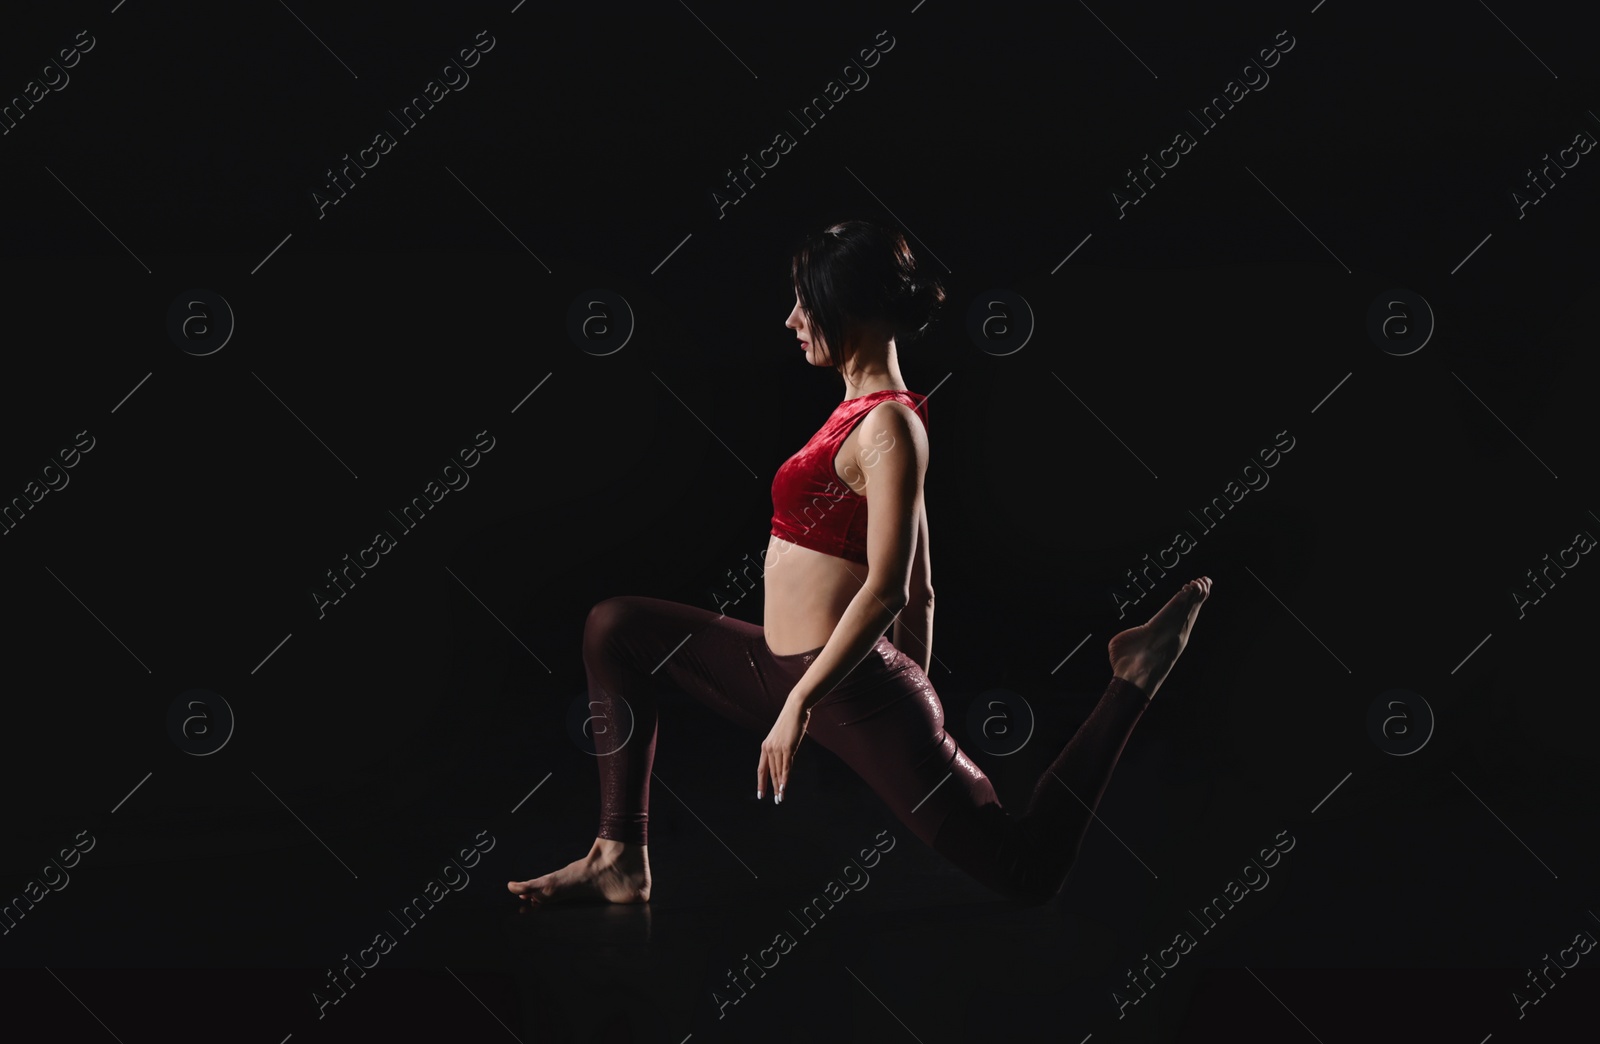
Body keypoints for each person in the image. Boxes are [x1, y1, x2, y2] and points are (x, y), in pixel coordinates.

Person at [507, 220, 1210, 906]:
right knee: (615, 626)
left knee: (1027, 870)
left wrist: (857, 713)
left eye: (806, 303)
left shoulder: (891, 426)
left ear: (855, 307)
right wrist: (888, 704)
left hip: (846, 691)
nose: (790, 320)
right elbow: (924, 585)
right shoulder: (864, 411)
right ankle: (618, 859)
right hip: (780, 669)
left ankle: (1133, 676)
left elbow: (889, 590)